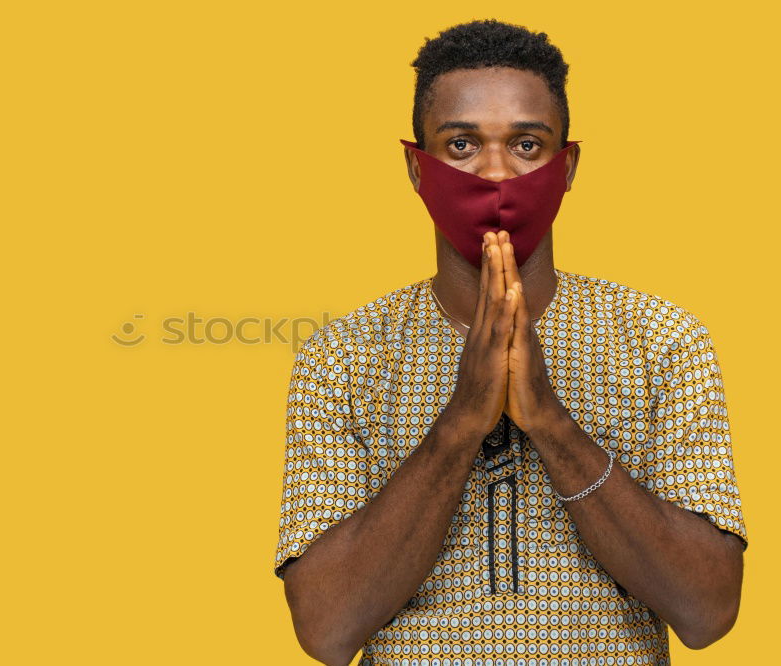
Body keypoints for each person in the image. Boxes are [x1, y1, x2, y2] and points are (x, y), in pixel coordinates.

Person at [272, 18, 748, 666]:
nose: (495, 173)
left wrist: (549, 419)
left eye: (527, 144)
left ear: (567, 164)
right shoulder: (343, 358)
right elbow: (326, 630)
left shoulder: (661, 341)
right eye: (461, 144)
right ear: (416, 167)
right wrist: (462, 419)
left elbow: (709, 612)